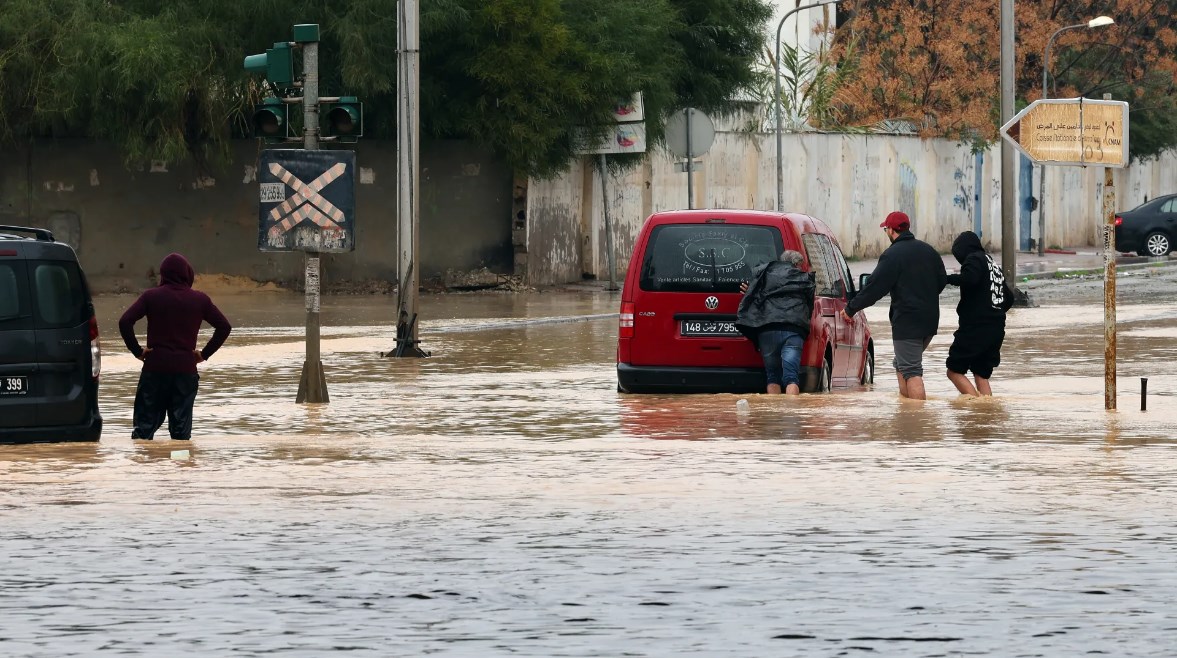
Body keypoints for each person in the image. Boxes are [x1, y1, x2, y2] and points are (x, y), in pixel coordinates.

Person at [119, 253, 232, 440]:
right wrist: (203, 355)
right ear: (187, 273)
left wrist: (137, 351)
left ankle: (143, 466)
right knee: (181, 434)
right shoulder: (199, 300)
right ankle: (179, 465)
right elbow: (224, 327)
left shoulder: (151, 297)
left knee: (143, 431)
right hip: (185, 372)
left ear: (163, 274)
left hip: (155, 370)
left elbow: (125, 322)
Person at [840, 211, 946, 400]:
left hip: (908, 322)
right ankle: (907, 414)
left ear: (891, 230)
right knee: (901, 364)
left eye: (886, 229)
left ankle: (918, 420)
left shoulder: (892, 255)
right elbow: (941, 282)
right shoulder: (929, 251)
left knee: (912, 370)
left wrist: (850, 309)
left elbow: (875, 288)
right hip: (930, 321)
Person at [735, 250, 816, 395]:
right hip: (793, 329)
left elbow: (754, 296)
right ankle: (791, 415)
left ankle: (774, 415)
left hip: (767, 328)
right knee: (791, 378)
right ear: (796, 264)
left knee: (772, 376)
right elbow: (809, 308)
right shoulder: (804, 279)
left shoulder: (764, 273)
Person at [944, 230, 1014, 396]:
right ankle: (986, 413)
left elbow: (970, 279)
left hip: (976, 328)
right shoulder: (992, 264)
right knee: (981, 374)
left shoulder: (974, 258)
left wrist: (946, 279)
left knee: (953, 371)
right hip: (996, 329)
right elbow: (1009, 298)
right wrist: (993, 311)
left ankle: (976, 408)